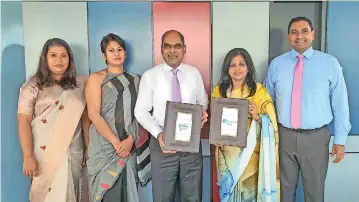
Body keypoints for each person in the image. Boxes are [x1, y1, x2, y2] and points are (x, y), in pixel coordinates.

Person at [264, 16, 351, 202]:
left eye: (304, 31)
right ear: (289, 36)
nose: (299, 36)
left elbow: (340, 102)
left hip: (316, 138)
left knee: (314, 192)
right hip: (284, 136)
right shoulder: (276, 65)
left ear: (313, 34)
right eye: (294, 32)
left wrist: (340, 140)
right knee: (283, 191)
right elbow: (268, 103)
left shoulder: (329, 63)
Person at [134, 30, 209, 202]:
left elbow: (202, 102)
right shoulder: (150, 76)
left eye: (177, 46)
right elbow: (140, 111)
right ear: (161, 50)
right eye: (167, 46)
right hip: (162, 144)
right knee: (163, 197)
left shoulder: (194, 74)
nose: (172, 50)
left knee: (192, 195)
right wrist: (159, 134)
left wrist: (201, 113)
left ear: (184, 49)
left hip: (191, 145)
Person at [17, 38, 90, 202]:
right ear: (45, 58)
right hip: (45, 153)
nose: (59, 60)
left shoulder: (80, 84)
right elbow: (23, 121)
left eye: (64, 56)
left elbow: (85, 119)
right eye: (53, 55)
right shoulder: (33, 86)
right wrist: (28, 157)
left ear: (70, 59)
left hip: (74, 151)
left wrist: (88, 147)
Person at [85, 33, 151, 202]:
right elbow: (93, 114)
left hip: (128, 145)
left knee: (126, 192)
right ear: (104, 55)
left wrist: (130, 140)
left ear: (125, 53)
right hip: (104, 146)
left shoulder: (135, 80)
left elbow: (141, 113)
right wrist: (116, 143)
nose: (116, 53)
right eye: (111, 50)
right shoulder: (96, 79)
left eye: (119, 49)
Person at [212, 48, 280, 202]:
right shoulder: (218, 92)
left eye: (241, 64)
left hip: (251, 158)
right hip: (226, 156)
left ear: (248, 67)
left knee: (250, 195)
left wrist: (257, 116)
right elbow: (214, 125)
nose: (237, 69)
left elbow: (272, 125)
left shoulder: (259, 91)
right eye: (232, 65)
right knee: (228, 194)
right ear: (226, 69)